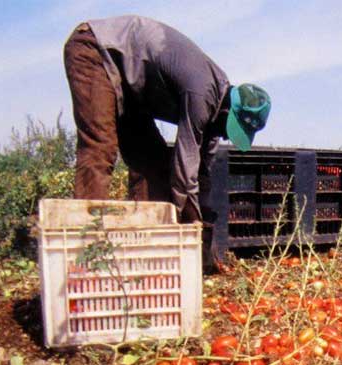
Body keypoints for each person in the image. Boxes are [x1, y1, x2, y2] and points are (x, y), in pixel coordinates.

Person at [63, 15, 271, 226]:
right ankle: (88, 242)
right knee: (101, 146)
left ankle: (146, 240)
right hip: (95, 50)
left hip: (131, 90)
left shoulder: (214, 115)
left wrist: (205, 212)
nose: (227, 135)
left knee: (152, 163)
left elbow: (201, 173)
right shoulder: (203, 93)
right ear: (227, 111)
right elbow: (184, 170)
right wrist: (193, 222)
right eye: (230, 129)